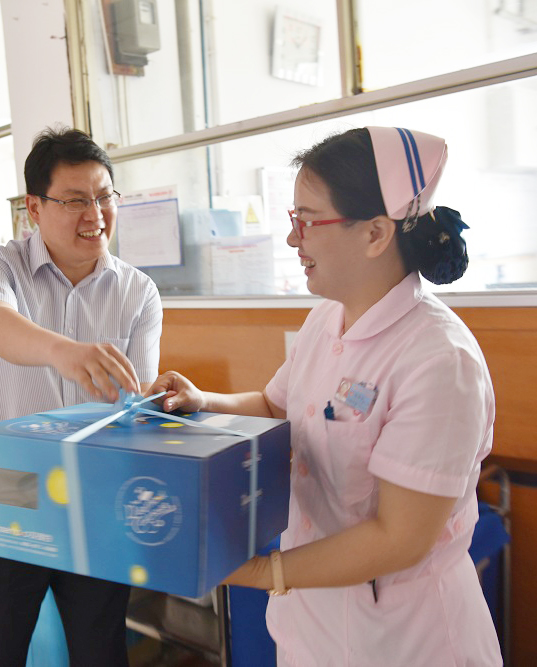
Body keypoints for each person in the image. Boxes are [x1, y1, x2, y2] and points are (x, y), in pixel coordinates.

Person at [149, 126, 502, 666]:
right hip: (312, 629)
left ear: (376, 233)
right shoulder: (325, 320)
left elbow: (399, 537)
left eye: (309, 221)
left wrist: (264, 572)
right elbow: (277, 407)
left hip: (405, 640)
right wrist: (204, 400)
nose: (294, 239)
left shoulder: (439, 359)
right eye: (294, 219)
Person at [0, 127, 162, 667]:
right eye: (74, 201)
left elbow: (134, 403)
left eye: (104, 197)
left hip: (95, 487)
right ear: (34, 208)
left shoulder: (138, 291)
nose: (95, 214)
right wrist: (61, 351)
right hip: (5, 484)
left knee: (100, 645)